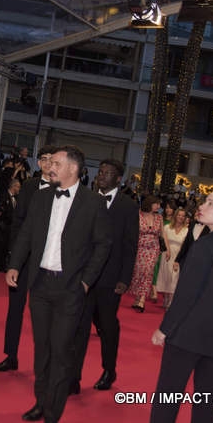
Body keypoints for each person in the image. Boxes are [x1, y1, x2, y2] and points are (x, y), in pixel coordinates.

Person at [6, 145, 110, 423]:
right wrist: (15, 264)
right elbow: (26, 234)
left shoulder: (93, 202)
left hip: (71, 288)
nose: (50, 167)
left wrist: (86, 281)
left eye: (56, 164)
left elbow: (103, 245)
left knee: (61, 350)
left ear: (73, 169)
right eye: (49, 163)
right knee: (42, 349)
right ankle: (41, 402)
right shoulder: (40, 197)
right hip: (40, 284)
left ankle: (53, 412)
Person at [150, 191, 213, 423]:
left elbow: (187, 294)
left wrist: (164, 329)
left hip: (187, 335)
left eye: (211, 204)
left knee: (168, 398)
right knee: (206, 405)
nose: (202, 206)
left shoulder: (205, 245)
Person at [71, 159, 138, 394]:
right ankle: (73, 377)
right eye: (100, 172)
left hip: (110, 279)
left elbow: (130, 245)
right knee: (79, 327)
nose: (101, 176)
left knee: (107, 327)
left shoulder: (128, 206)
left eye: (107, 173)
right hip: (84, 276)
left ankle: (109, 369)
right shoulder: (85, 198)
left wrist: (125, 278)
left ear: (118, 179)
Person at [0, 145, 55, 373]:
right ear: (39, 162)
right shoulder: (28, 186)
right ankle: (10, 355)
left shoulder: (64, 189)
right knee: (15, 309)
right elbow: (18, 222)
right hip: (25, 258)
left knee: (45, 313)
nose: (48, 164)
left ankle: (45, 362)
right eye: (44, 159)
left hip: (49, 261)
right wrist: (14, 257)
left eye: (52, 160)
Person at [129, 195, 163, 312]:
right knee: (139, 272)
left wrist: (167, 249)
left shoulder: (159, 217)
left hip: (153, 248)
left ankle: (142, 300)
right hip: (139, 248)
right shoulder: (138, 215)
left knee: (148, 272)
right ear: (150, 204)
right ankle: (137, 297)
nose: (158, 206)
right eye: (156, 204)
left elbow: (162, 234)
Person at [156, 208, 188, 310]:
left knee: (174, 277)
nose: (181, 217)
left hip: (178, 255)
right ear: (175, 216)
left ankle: (171, 301)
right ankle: (166, 297)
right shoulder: (167, 227)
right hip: (167, 254)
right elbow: (161, 240)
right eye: (179, 215)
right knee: (166, 276)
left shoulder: (187, 230)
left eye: (183, 216)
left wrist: (180, 258)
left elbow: (185, 245)